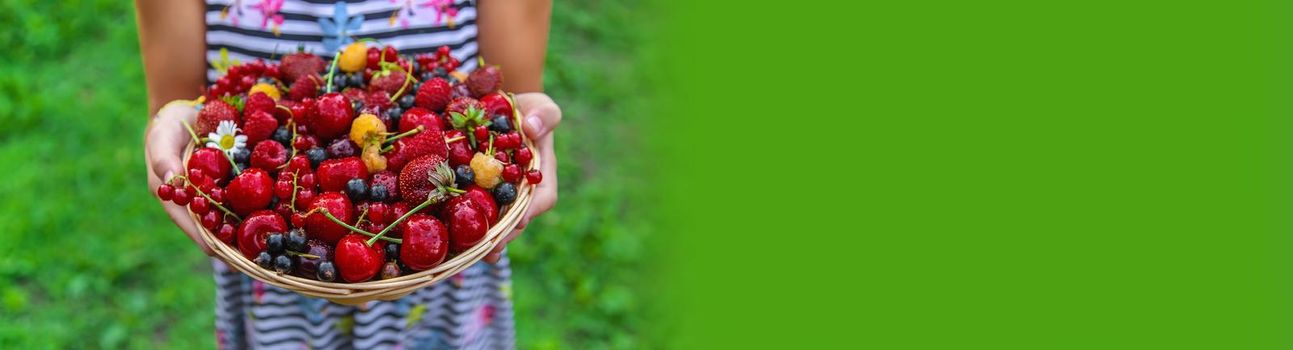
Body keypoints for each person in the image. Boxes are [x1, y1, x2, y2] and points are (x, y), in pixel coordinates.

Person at [137, 0, 560, 348]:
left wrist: (529, 127)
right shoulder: (297, 173)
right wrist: (172, 122)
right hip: (275, 275)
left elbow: (507, 103)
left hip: (449, 261)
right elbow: (174, 100)